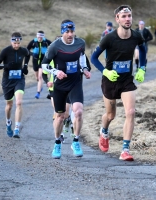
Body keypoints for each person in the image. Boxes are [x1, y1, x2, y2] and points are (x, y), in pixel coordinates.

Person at [91, 5, 146, 161]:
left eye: (129, 16)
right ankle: (104, 131)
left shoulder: (136, 36)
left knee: (130, 112)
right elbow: (94, 58)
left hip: (127, 80)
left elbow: (142, 50)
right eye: (124, 16)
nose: (127, 19)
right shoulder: (109, 38)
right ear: (117, 19)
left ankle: (125, 150)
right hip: (110, 81)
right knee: (110, 115)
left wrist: (142, 68)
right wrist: (105, 71)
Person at [42, 19, 91, 159]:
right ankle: (57, 142)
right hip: (60, 85)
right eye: (67, 31)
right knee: (60, 116)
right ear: (62, 32)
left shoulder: (80, 43)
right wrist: (56, 72)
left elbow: (81, 58)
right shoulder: (55, 46)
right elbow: (44, 65)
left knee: (79, 111)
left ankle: (76, 141)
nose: (70, 34)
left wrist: (85, 69)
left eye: (72, 31)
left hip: (75, 82)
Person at [0, 32, 30, 138]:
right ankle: (8, 122)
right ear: (11, 42)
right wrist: (5, 66)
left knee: (18, 102)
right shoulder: (5, 51)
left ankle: (17, 128)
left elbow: (28, 55)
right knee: (9, 106)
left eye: (18, 43)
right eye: (15, 43)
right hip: (7, 81)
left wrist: (25, 66)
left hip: (19, 79)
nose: (17, 45)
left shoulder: (23, 50)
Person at [27, 30, 52, 99]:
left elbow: (53, 47)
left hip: (43, 61)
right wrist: (32, 54)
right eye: (38, 37)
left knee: (40, 77)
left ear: (43, 37)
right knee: (37, 77)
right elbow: (27, 50)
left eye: (41, 37)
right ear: (37, 36)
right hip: (35, 61)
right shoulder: (33, 42)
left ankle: (38, 93)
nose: (39, 38)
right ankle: (40, 86)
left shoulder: (46, 42)